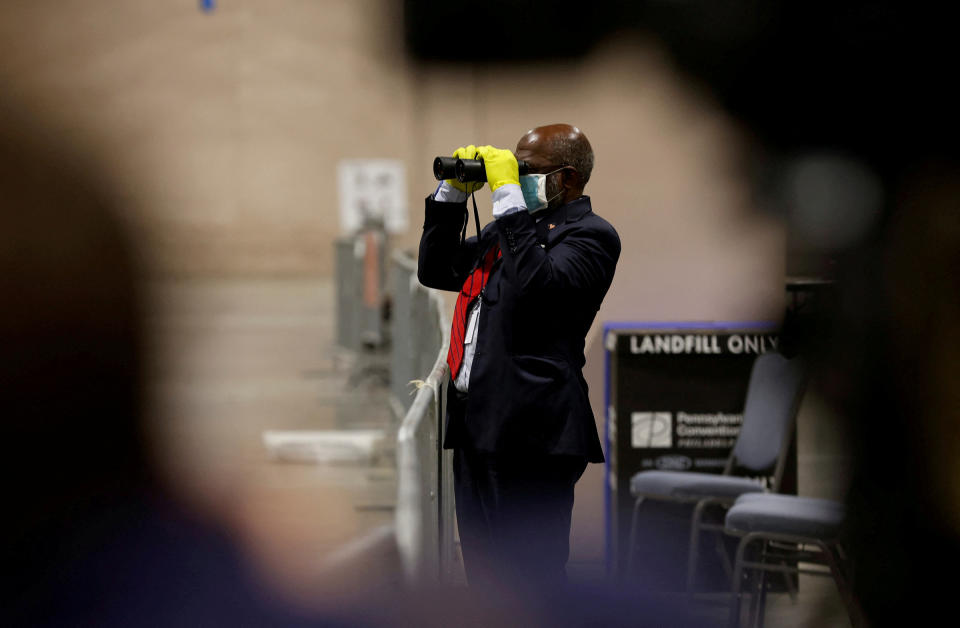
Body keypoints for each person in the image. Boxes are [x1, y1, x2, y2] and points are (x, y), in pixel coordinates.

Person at [417, 124, 620, 589]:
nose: (513, 176)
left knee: (531, 580)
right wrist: (450, 195)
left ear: (566, 178)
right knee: (486, 580)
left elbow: (539, 288)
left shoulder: (592, 235)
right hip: (476, 424)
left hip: (533, 431)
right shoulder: (507, 231)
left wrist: (509, 198)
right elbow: (437, 269)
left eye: (525, 170)